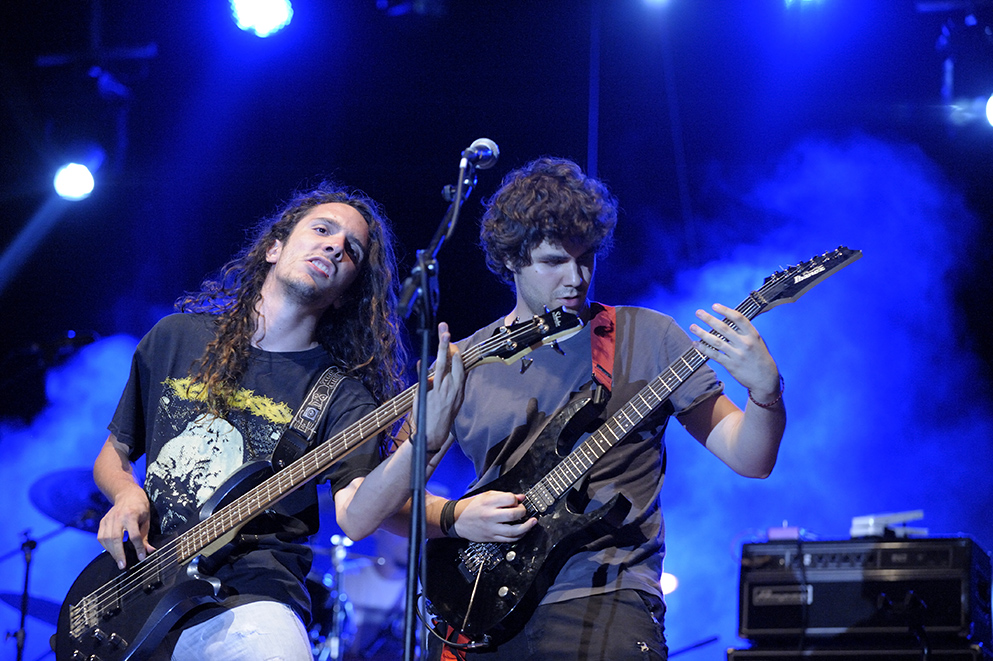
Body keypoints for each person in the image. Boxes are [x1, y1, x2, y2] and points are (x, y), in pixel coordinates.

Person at [421, 157, 786, 660]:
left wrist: (766, 390)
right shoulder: (468, 361)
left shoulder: (648, 335)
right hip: (482, 611)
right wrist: (455, 515)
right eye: (554, 261)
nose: (576, 278)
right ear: (510, 259)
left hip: (606, 596)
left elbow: (751, 458)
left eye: (586, 257)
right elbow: (387, 501)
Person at [93, 181, 464, 661]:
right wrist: (125, 494)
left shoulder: (342, 397)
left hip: (252, 600)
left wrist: (422, 444)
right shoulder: (175, 337)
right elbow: (114, 453)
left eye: (351, 250)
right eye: (322, 230)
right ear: (273, 248)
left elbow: (356, 517)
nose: (335, 246)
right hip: (142, 588)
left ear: (343, 295)